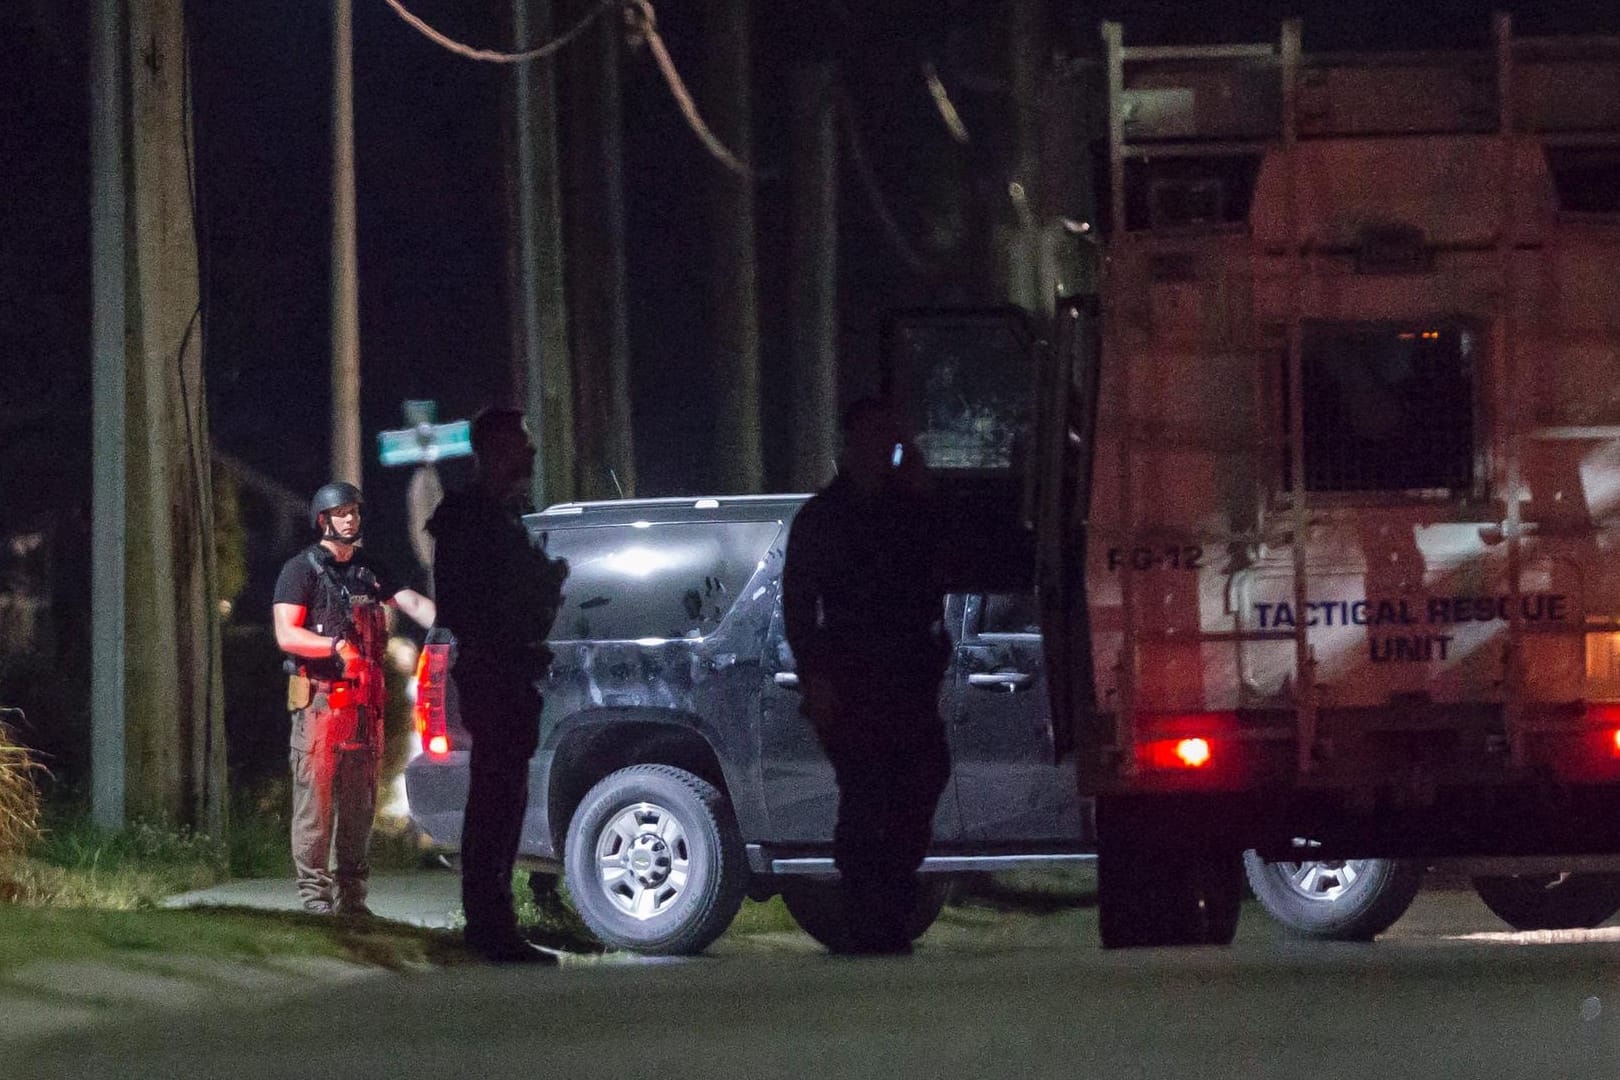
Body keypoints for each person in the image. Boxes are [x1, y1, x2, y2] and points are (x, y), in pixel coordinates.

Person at [783, 397, 951, 955]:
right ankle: (865, 917)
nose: (889, 449)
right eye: (880, 437)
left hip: (908, 673)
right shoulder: (824, 518)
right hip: (854, 675)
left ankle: (891, 902)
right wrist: (817, 677)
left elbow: (944, 566)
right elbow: (800, 606)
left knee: (920, 780)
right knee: (865, 795)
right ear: (854, 443)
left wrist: (926, 497)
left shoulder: (911, 510)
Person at [427, 407, 569, 963]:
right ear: (493, 450)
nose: (530, 454)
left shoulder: (505, 517)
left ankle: (494, 922)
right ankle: (489, 925)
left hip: (512, 671)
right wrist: (532, 588)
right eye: (521, 444)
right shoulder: (469, 518)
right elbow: (468, 602)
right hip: (493, 671)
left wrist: (542, 586)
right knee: (494, 801)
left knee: (505, 800)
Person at [273, 481, 436, 916]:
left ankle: (354, 901)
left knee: (360, 807)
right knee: (315, 807)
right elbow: (286, 632)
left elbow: (412, 602)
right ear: (323, 520)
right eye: (341, 513)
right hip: (320, 705)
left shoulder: (370, 569)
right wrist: (332, 648)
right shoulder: (301, 570)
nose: (350, 519)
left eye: (355, 513)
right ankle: (315, 899)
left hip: (365, 708)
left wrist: (453, 623)